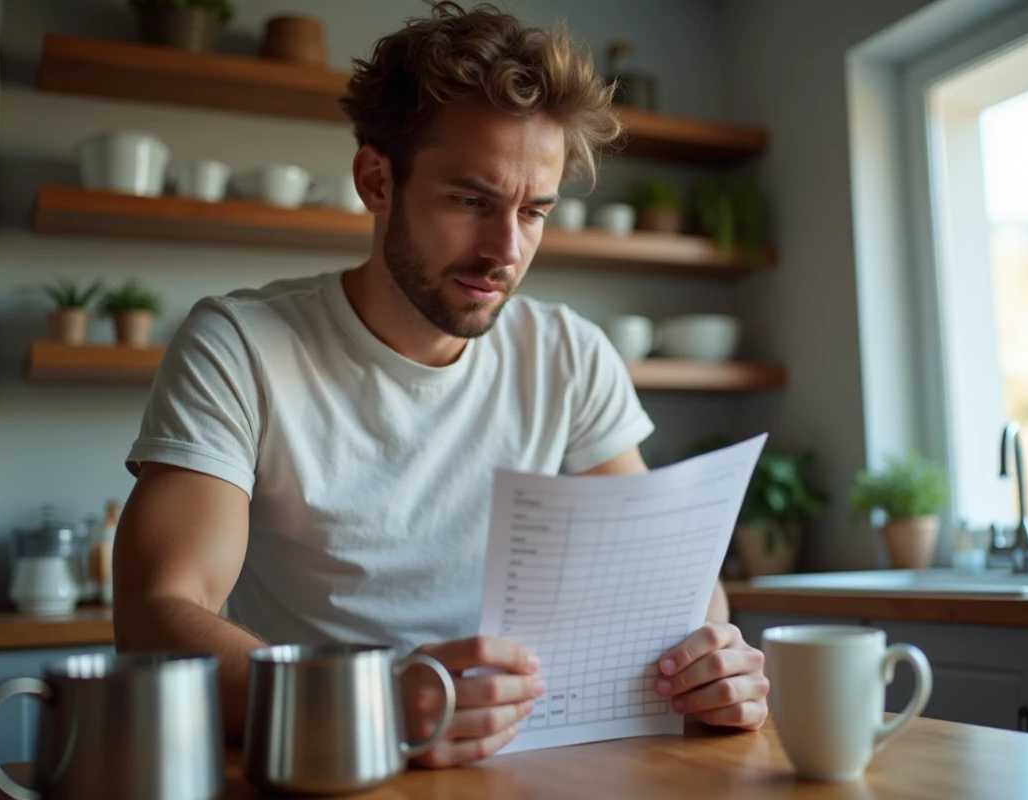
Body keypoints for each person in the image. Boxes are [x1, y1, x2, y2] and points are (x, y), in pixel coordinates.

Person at [112, 1, 769, 769]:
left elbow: (667, 583)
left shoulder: (568, 354)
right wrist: (374, 701)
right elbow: (157, 613)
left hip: (520, 766)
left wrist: (711, 661)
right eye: (471, 201)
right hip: (326, 765)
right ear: (375, 179)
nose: (505, 250)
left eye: (535, 211)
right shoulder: (241, 344)